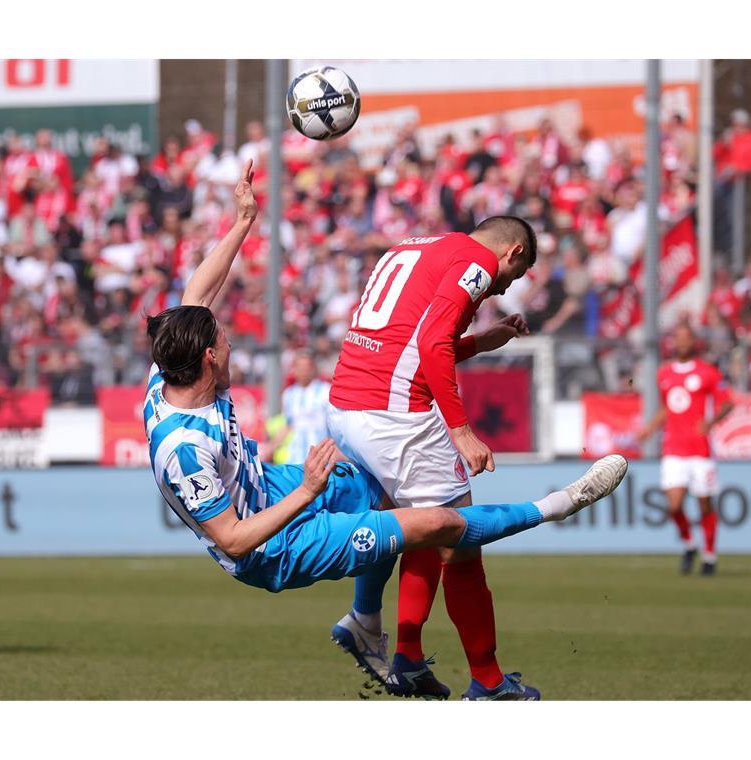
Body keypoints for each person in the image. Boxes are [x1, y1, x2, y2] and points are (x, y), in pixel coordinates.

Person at [143, 161, 629, 687]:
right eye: (226, 343)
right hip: (280, 537)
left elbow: (197, 292)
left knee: (399, 508)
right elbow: (234, 541)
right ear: (210, 358)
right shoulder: (184, 447)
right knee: (447, 531)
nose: (233, 345)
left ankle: (382, 636)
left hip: (344, 411)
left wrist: (242, 222)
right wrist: (458, 430)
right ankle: (543, 537)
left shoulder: (172, 365)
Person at [325, 217, 543, 700]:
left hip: (346, 404)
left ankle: (404, 655)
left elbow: (406, 342)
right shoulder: (480, 262)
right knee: (460, 537)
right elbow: (429, 345)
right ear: (512, 252)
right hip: (393, 414)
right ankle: (488, 682)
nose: (504, 287)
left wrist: (481, 342)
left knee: (425, 525)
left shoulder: (419, 245)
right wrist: (461, 431)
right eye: (516, 273)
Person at [638, 324, 734, 576]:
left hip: (700, 450)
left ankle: (710, 556)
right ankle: (690, 544)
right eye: (677, 338)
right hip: (673, 449)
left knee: (704, 505)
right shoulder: (665, 374)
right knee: (674, 505)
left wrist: (711, 422)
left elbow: (727, 403)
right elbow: (667, 407)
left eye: (686, 337)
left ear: (694, 341)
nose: (681, 342)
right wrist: (649, 429)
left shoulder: (708, 372)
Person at [272, 351, 331, 465]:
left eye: (307, 367)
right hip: (295, 458)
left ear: (313, 369)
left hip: (320, 457)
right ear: (294, 370)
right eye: (300, 367)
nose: (304, 371)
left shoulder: (325, 391)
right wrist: (271, 447)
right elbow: (288, 425)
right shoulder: (288, 394)